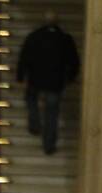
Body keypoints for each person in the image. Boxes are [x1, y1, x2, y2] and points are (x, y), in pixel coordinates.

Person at [16, 11, 79, 155]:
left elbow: (24, 56)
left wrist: (20, 75)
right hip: (55, 83)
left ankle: (34, 123)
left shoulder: (34, 37)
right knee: (51, 114)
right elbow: (74, 61)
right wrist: (70, 78)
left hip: (35, 79)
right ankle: (49, 145)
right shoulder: (65, 39)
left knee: (31, 100)